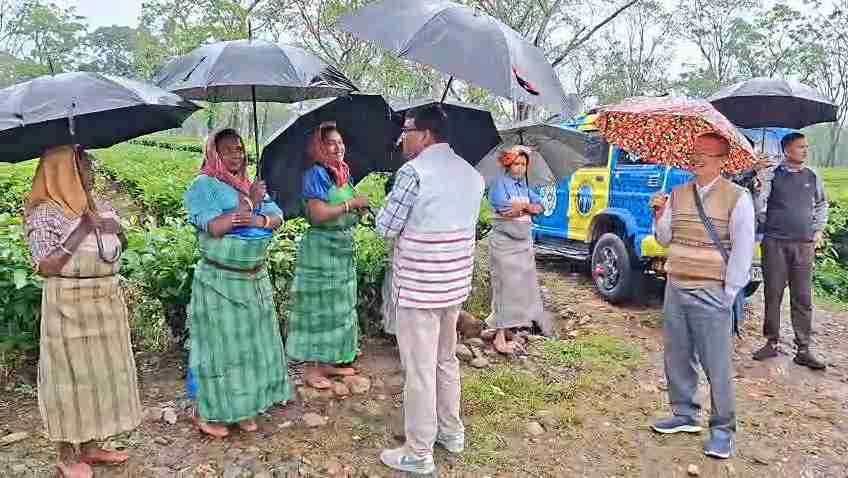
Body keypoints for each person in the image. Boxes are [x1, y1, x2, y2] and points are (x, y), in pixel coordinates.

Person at [376, 104, 485, 474]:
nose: (402, 137)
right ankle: (451, 433)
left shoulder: (413, 173)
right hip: (453, 287)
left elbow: (385, 228)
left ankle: (418, 451)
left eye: (406, 130)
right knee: (445, 361)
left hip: (420, 289)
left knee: (420, 370)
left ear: (423, 133)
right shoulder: (473, 175)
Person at [25, 145, 142, 478]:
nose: (91, 173)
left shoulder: (94, 205)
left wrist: (116, 227)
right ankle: (65, 454)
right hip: (68, 308)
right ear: (63, 173)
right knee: (67, 378)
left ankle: (91, 446)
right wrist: (79, 231)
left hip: (104, 303)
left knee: (101, 377)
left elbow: (121, 244)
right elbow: (45, 266)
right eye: (84, 167)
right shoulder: (45, 212)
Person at [649, 133, 756, 460]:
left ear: (723, 160)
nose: (697, 159)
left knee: (716, 363)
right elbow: (665, 239)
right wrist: (659, 213)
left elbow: (743, 248)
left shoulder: (738, 197)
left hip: (713, 290)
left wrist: (729, 293)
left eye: (706, 154)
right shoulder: (679, 193)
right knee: (677, 354)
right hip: (676, 285)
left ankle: (723, 430)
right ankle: (684, 414)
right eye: (695, 153)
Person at [183, 129, 292, 438]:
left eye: (240, 148)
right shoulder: (203, 186)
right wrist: (249, 206)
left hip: (252, 278)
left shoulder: (249, 183)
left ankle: (243, 407)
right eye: (229, 150)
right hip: (220, 281)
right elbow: (216, 226)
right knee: (221, 347)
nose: (237, 155)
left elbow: (277, 217)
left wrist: (255, 214)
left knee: (250, 345)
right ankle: (209, 411)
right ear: (214, 154)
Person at [286, 122, 370, 389]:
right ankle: (311, 369)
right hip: (320, 253)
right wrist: (350, 204)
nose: (338, 147)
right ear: (319, 148)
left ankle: (329, 362)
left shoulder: (343, 174)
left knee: (338, 308)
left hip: (342, 252)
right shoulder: (314, 174)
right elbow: (317, 214)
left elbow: (346, 209)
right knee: (318, 309)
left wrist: (359, 210)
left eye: (340, 142)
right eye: (331, 143)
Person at [752, 132, 828, 369]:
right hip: (775, 242)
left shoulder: (813, 176)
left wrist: (817, 230)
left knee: (803, 296)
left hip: (804, 244)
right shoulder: (772, 175)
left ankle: (803, 348)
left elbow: (822, 203)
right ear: (787, 150)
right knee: (773, 293)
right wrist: (759, 180)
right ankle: (771, 342)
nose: (805, 150)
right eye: (800, 147)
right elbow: (758, 206)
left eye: (806, 146)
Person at [486, 145, 553, 353]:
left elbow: (541, 207)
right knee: (504, 288)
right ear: (508, 163)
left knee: (520, 288)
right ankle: (498, 336)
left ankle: (512, 328)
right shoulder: (499, 184)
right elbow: (503, 209)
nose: (520, 168)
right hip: (504, 244)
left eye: (524, 164)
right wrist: (526, 208)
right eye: (517, 163)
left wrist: (523, 207)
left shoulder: (523, 187)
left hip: (523, 244)